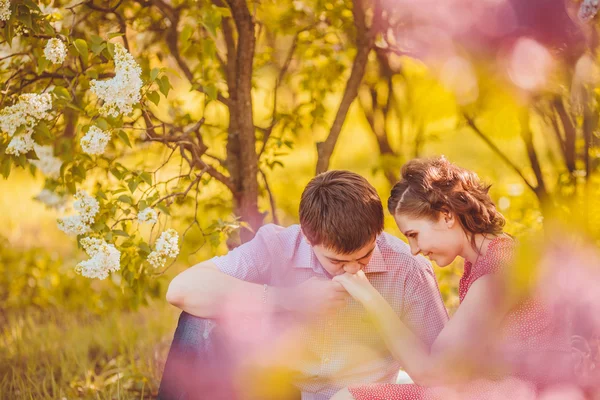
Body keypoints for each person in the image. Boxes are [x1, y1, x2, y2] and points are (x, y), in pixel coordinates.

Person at [159, 170, 448, 400]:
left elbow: (442, 373)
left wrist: (376, 304)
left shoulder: (408, 268)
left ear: (378, 233)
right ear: (308, 239)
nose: (352, 269)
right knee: (198, 319)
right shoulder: (279, 246)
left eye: (365, 256)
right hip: (281, 391)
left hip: (357, 396)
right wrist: (288, 299)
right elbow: (182, 289)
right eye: (336, 261)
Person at [331, 156, 572, 400]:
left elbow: (433, 375)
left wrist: (371, 298)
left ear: (446, 215)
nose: (414, 249)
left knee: (349, 397)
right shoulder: (489, 257)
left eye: (414, 234)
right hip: (504, 387)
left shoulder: (493, 276)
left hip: (518, 392)